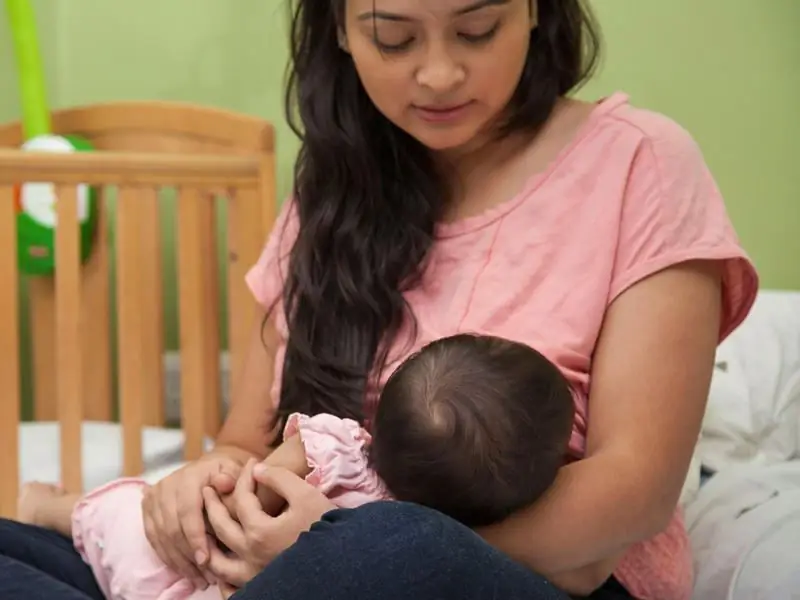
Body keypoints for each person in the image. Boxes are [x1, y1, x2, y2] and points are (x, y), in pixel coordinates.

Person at [0, 0, 759, 599]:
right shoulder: (331, 196)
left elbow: (633, 494)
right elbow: (246, 438)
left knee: (394, 549)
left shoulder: (641, 164)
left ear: (535, 9)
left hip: (498, 576)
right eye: (394, 38)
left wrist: (332, 535)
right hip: (278, 573)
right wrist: (201, 491)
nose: (437, 74)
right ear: (338, 27)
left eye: (477, 28)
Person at [13, 333, 576, 599]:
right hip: (207, 583)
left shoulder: (332, 445)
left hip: (177, 562)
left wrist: (230, 511)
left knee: (118, 510)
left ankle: (49, 505)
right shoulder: (434, 527)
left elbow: (251, 485)